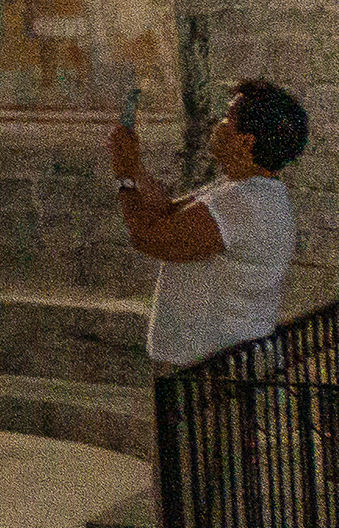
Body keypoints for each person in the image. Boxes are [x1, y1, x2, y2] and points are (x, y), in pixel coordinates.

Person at [112, 78, 308, 369]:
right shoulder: (244, 190)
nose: (219, 124)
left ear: (246, 141)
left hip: (221, 367)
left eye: (228, 118)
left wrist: (125, 176)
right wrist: (135, 166)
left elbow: (148, 236)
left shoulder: (245, 201)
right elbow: (166, 212)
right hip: (219, 358)